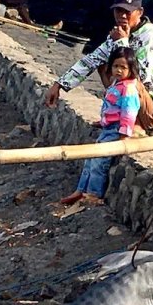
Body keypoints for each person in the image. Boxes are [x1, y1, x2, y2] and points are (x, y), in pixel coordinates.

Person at [45, 0, 153, 131]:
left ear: (139, 12)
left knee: (128, 79)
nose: (122, 16)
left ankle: (129, 124)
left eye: (127, 12)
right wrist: (59, 85)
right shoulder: (117, 34)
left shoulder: (150, 34)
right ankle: (113, 117)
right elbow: (90, 61)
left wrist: (122, 42)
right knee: (103, 65)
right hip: (129, 99)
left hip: (151, 105)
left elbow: (140, 75)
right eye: (119, 11)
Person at [60, 47, 142, 206]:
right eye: (115, 66)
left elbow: (128, 113)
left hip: (115, 131)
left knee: (99, 163)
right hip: (108, 128)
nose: (118, 70)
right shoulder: (117, 84)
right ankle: (81, 190)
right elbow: (111, 107)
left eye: (123, 67)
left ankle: (93, 194)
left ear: (131, 69)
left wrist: (123, 136)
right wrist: (103, 121)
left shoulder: (128, 89)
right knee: (90, 159)